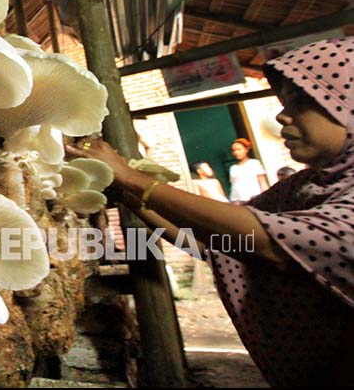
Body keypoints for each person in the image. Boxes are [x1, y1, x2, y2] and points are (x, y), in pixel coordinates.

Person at [73, 36, 354, 387]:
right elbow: (214, 242)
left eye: (302, 101)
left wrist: (134, 179)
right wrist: (128, 194)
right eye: (285, 101)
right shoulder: (306, 187)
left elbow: (268, 242)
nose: (281, 115)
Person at [228, 137, 269, 203]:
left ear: (246, 149)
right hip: (237, 200)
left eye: (239, 149)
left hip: (253, 198)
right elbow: (234, 185)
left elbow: (262, 181)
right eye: (234, 150)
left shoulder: (254, 163)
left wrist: (266, 196)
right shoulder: (233, 168)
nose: (236, 152)